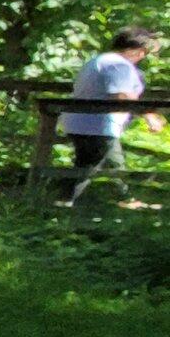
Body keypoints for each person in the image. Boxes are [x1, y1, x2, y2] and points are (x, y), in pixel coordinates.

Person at [61, 25, 163, 203]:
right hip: (98, 125)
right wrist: (148, 114)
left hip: (83, 123)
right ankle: (64, 204)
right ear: (138, 50)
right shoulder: (119, 65)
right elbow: (122, 95)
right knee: (91, 168)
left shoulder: (101, 60)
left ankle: (123, 200)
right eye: (144, 52)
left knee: (106, 164)